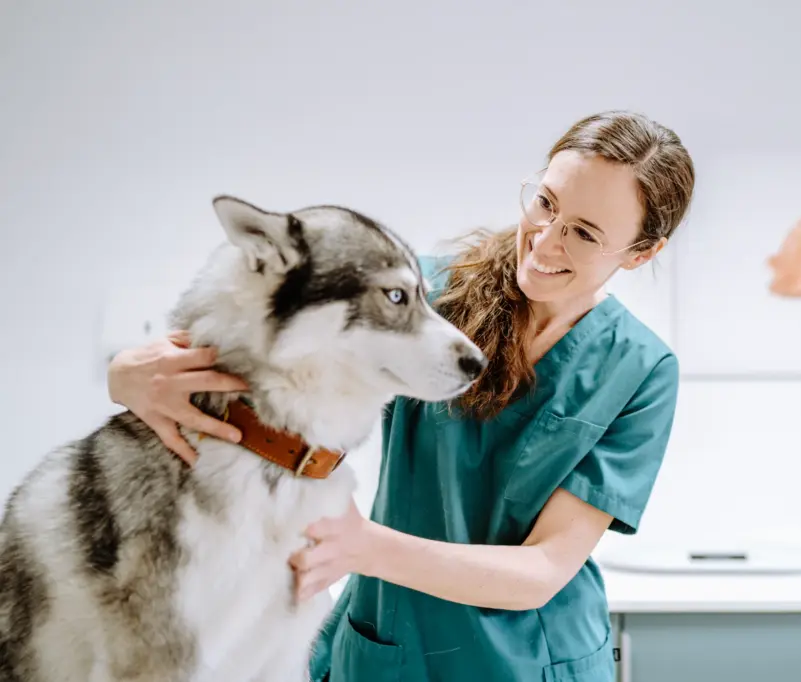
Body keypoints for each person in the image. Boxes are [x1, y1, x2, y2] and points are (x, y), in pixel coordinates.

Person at [107, 109, 695, 681]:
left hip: (534, 659)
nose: (545, 239)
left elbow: (542, 570)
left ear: (641, 253)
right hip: (391, 645)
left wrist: (361, 546)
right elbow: (261, 349)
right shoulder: (424, 295)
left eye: (585, 233)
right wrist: (128, 375)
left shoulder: (641, 370)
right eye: (545, 203)